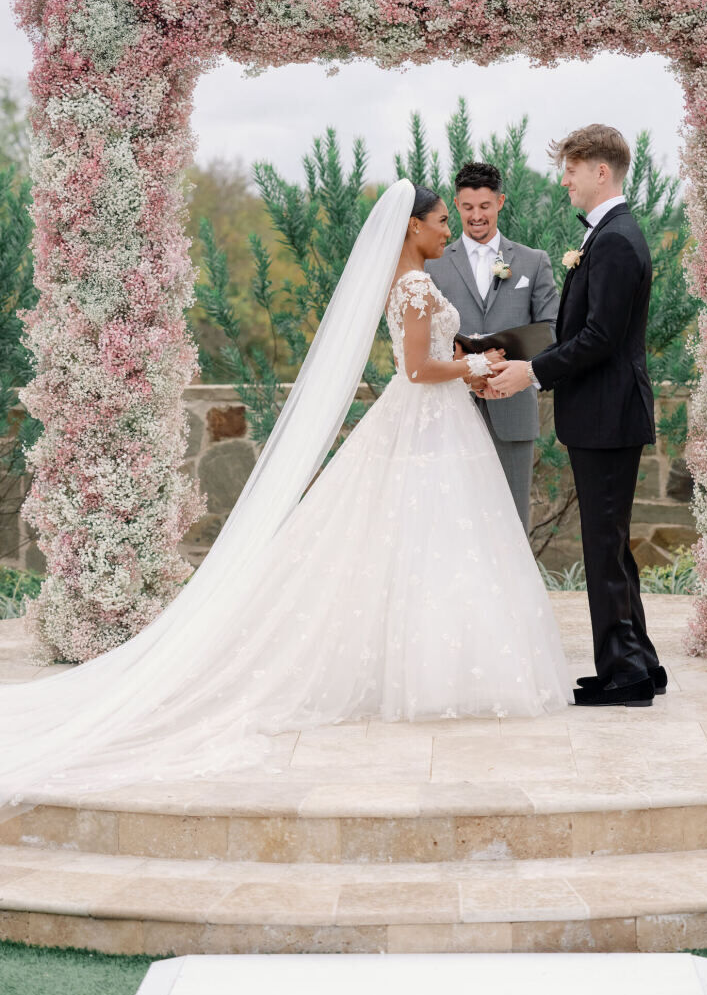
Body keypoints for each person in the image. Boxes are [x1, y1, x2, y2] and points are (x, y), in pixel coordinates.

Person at [0, 179, 572, 809]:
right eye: (440, 220)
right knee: (425, 537)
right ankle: (430, 673)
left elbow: (432, 353)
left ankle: (440, 666)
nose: (447, 230)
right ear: (413, 227)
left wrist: (467, 356)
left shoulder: (418, 281)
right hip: (426, 414)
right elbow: (415, 370)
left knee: (431, 541)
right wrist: (473, 367)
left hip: (439, 421)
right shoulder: (411, 285)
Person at [487, 125, 666, 708]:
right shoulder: (609, 235)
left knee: (601, 545)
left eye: (570, 169)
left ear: (600, 171)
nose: (563, 180)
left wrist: (532, 372)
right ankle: (639, 661)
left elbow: (599, 337)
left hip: (608, 415)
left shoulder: (614, 239)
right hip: (605, 414)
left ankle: (625, 675)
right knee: (610, 543)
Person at [425, 162, 558, 533]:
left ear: (500, 202)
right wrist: (463, 367)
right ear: (456, 206)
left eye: (484, 206)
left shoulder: (533, 261)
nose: (476, 216)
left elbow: (552, 328)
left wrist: (519, 374)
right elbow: (426, 335)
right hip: (452, 406)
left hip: (512, 407)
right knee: (453, 517)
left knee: (512, 519)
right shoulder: (434, 265)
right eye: (467, 207)